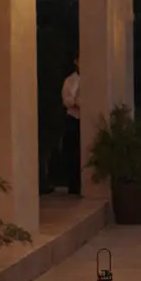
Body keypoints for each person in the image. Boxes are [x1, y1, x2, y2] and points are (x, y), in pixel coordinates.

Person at [61, 56, 81, 196]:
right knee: (72, 152)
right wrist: (75, 103)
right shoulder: (70, 80)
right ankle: (73, 185)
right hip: (74, 117)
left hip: (88, 119)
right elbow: (67, 99)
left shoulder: (92, 78)